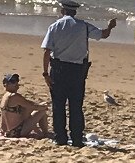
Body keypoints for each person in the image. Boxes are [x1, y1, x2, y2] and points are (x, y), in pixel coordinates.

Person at [41, 0, 116, 147]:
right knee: (76, 106)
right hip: (76, 71)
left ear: (63, 11)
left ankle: (60, 138)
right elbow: (103, 35)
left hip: (58, 69)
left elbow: (47, 51)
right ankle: (76, 138)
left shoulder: (55, 26)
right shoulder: (83, 26)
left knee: (58, 105)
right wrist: (110, 26)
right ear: (75, 12)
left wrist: (45, 73)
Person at [0, 73, 51, 138]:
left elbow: (28, 106)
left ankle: (39, 132)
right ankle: (45, 133)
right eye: (12, 82)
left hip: (7, 131)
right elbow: (32, 106)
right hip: (16, 132)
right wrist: (44, 107)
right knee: (42, 110)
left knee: (27, 110)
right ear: (5, 84)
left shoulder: (5, 96)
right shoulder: (14, 96)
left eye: (16, 81)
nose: (15, 83)